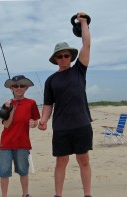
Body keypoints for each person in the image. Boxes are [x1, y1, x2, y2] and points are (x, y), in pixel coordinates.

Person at [38, 12, 93, 197]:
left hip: (82, 124)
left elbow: (86, 44)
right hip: (61, 127)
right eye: (59, 56)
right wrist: (44, 119)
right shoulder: (51, 80)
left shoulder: (79, 70)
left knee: (83, 160)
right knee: (61, 162)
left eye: (66, 55)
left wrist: (83, 22)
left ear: (71, 56)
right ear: (55, 59)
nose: (63, 58)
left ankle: (87, 194)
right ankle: (58, 195)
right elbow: (47, 104)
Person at [0, 75, 40, 197]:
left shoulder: (31, 103)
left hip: (23, 143)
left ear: (26, 88)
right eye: (15, 85)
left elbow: (35, 121)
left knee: (23, 170)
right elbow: (6, 125)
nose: (18, 88)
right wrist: (10, 110)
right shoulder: (6, 105)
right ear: (11, 88)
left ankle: (25, 194)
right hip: (6, 143)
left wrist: (33, 124)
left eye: (22, 85)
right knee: (4, 172)